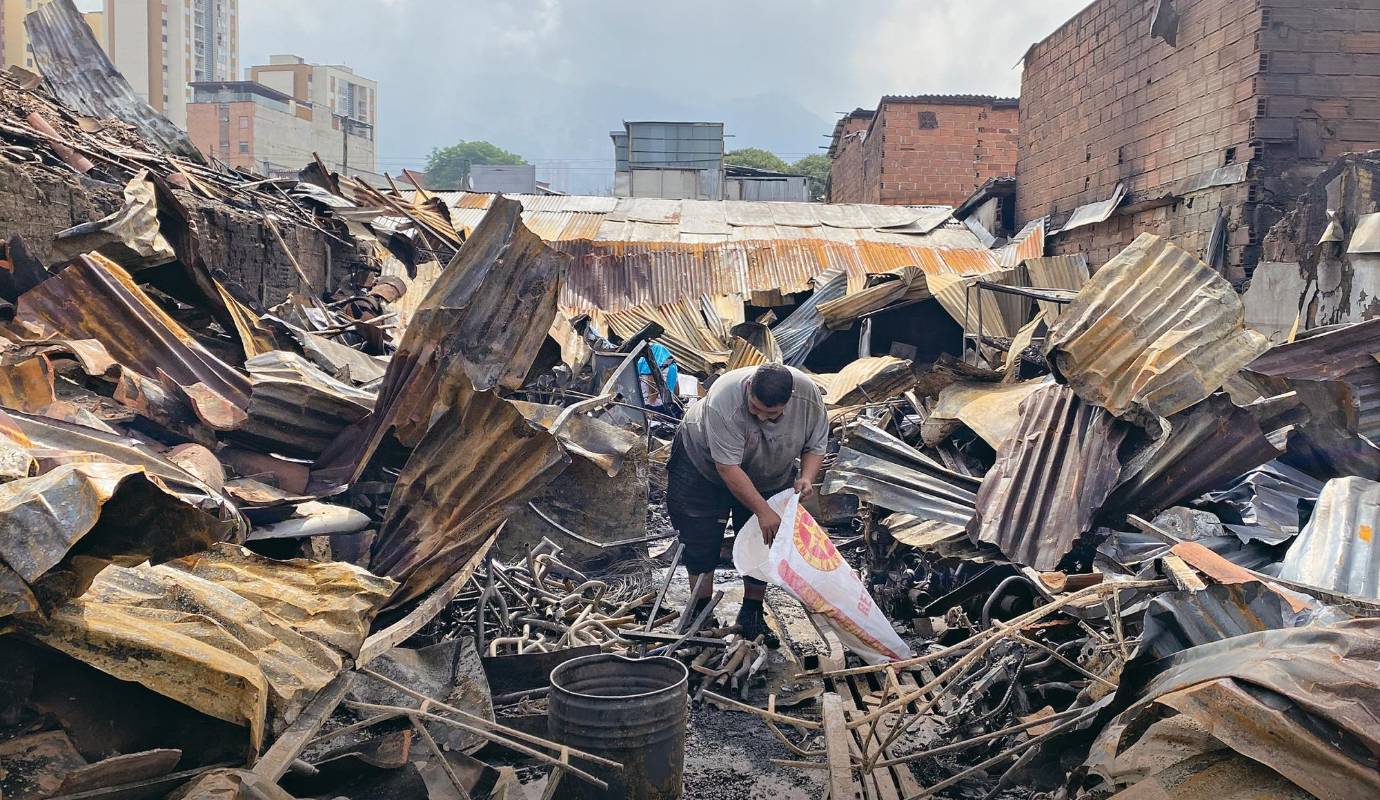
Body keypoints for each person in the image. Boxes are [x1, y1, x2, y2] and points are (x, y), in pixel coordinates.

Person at [666, 362, 829, 640]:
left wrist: (806, 477)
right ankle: (700, 611)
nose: (761, 417)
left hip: (769, 468)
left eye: (772, 414)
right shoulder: (724, 399)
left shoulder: (808, 398)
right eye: (755, 408)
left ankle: (752, 612)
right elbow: (727, 468)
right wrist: (763, 511)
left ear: (789, 400)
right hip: (702, 464)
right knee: (700, 536)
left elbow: (815, 445)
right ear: (749, 387)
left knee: (763, 539)